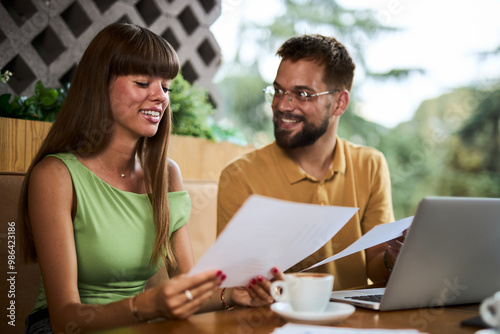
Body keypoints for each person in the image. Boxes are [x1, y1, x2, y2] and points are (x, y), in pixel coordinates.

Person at [19, 23, 278, 334]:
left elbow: (187, 287)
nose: (160, 97)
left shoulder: (166, 175)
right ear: (99, 85)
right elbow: (66, 319)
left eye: (166, 87)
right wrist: (147, 307)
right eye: (142, 83)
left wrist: (232, 294)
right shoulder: (55, 175)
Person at [217, 34, 405, 291]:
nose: (283, 105)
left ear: (340, 103)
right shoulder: (240, 176)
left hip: (351, 324)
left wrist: (394, 257)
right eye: (279, 91)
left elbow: (377, 267)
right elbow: (231, 285)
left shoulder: (370, 165)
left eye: (303, 94)